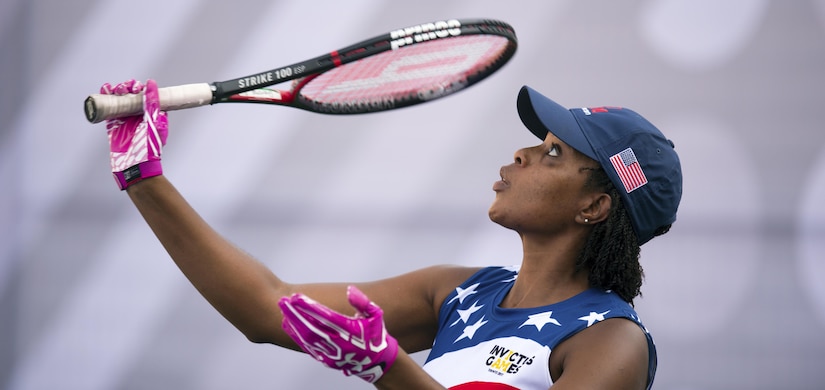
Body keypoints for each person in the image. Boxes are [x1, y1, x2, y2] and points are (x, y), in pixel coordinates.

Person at [99, 79, 682, 390]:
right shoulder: (459, 293)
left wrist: (389, 370)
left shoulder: (612, 343)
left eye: (553, 152)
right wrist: (143, 178)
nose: (522, 153)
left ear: (596, 205)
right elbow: (264, 307)